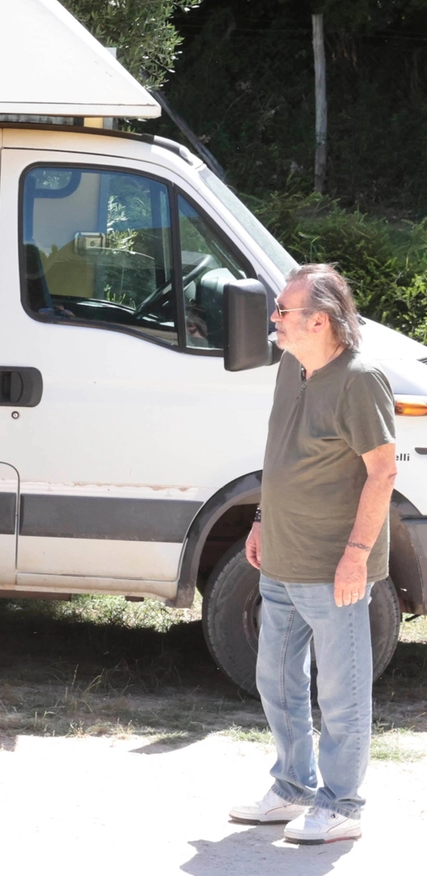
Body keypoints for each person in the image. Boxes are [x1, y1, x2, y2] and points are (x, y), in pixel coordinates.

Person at [230, 264, 395, 844]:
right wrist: (258, 519)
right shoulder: (290, 367)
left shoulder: (360, 379)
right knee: (275, 679)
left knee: (341, 692)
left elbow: (382, 473)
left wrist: (356, 556)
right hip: (280, 556)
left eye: (283, 311)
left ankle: (343, 804)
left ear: (318, 319)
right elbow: (280, 457)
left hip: (334, 568)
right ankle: (292, 788)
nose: (273, 320)